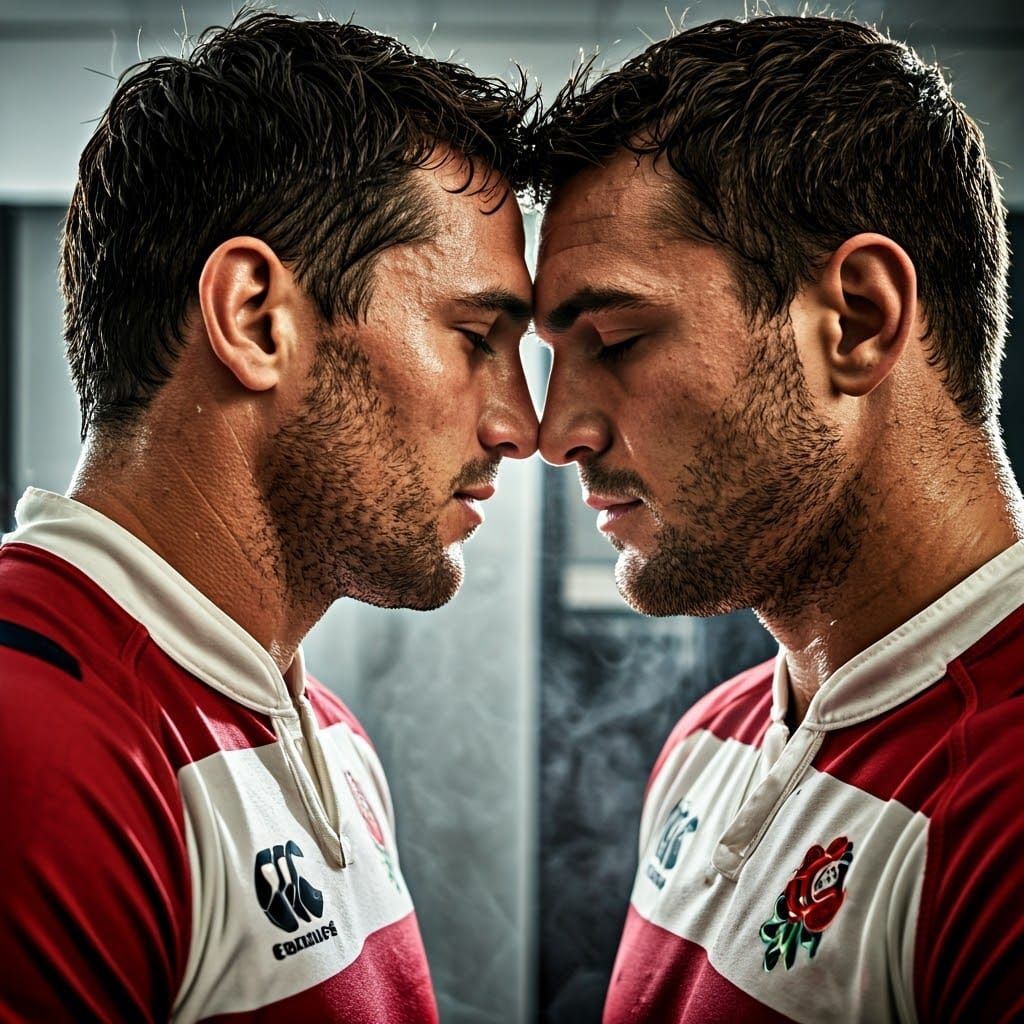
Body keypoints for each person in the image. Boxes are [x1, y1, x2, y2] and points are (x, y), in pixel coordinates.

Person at [0, 11, 538, 1021]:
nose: (521, 426)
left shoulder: (323, 731)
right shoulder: (33, 743)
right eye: (475, 336)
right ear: (255, 318)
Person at [533, 14, 1023, 1023]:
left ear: (857, 321)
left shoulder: (1004, 806)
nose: (556, 433)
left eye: (614, 340)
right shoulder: (707, 741)